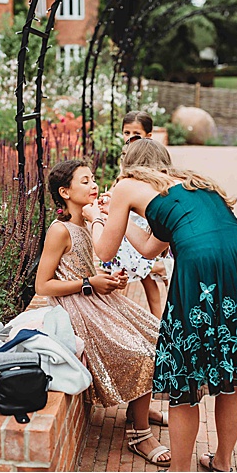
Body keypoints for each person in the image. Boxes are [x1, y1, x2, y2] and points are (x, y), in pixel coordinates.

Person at [90, 139, 237, 472]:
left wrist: (98, 216)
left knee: (184, 374)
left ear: (130, 164)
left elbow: (104, 253)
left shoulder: (128, 184)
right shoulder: (190, 183)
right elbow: (148, 248)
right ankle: (223, 461)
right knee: (227, 367)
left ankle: (180, 469)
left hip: (200, 262)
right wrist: (120, 215)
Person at [34, 160, 171, 467]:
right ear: (65, 192)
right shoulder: (60, 230)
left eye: (93, 179)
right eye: (85, 181)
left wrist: (110, 281)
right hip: (74, 308)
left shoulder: (88, 222)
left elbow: (94, 262)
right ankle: (140, 435)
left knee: (156, 335)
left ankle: (140, 406)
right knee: (140, 353)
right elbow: (42, 285)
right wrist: (88, 283)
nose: (94, 185)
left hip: (96, 298)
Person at [104, 111, 171, 318]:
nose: (130, 137)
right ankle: (146, 320)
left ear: (149, 135)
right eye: (126, 132)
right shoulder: (125, 157)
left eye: (136, 133)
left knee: (142, 270)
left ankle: (158, 319)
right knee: (135, 273)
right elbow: (120, 181)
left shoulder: (153, 158)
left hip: (143, 220)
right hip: (128, 221)